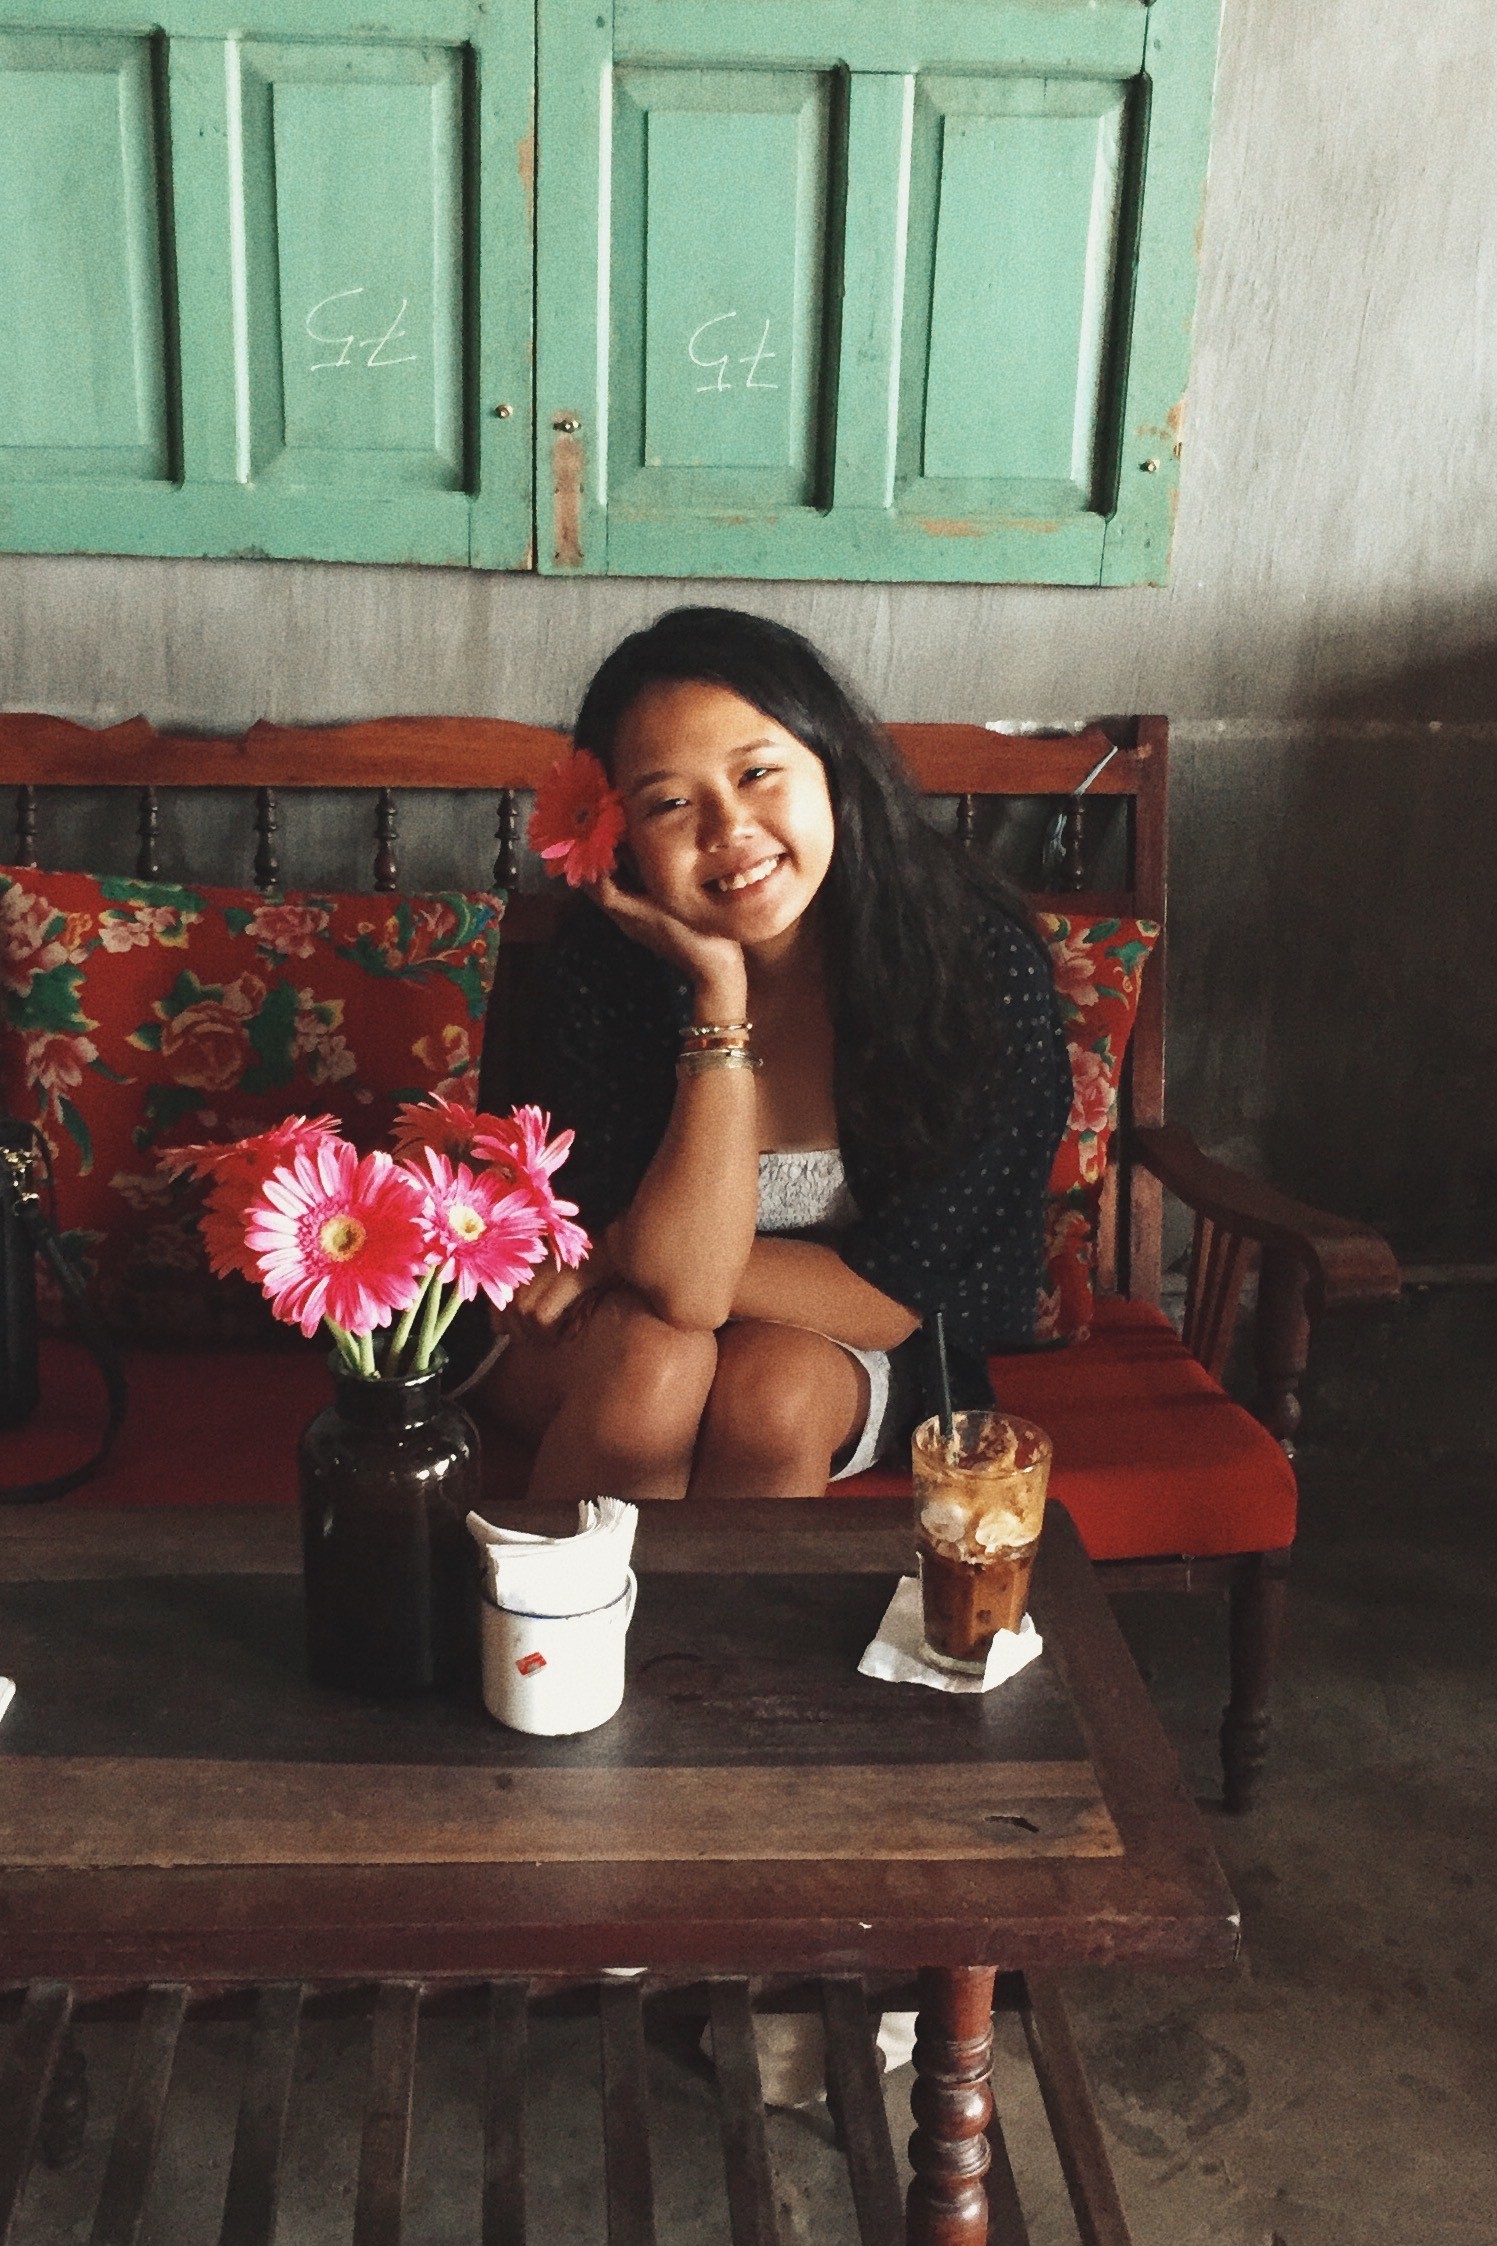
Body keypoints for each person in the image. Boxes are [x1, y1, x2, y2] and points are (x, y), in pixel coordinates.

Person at [470, 607, 1071, 1501]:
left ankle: (721, 1646)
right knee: (653, 1358)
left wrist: (641, 1255)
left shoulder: (973, 971)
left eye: (757, 773)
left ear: (832, 768)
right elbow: (648, 1282)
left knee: (773, 1391)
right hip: (608, 1333)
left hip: (851, 1340)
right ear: (619, 836)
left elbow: (885, 1296)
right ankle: (552, 1640)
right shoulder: (606, 970)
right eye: (668, 802)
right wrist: (718, 995)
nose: (726, 827)